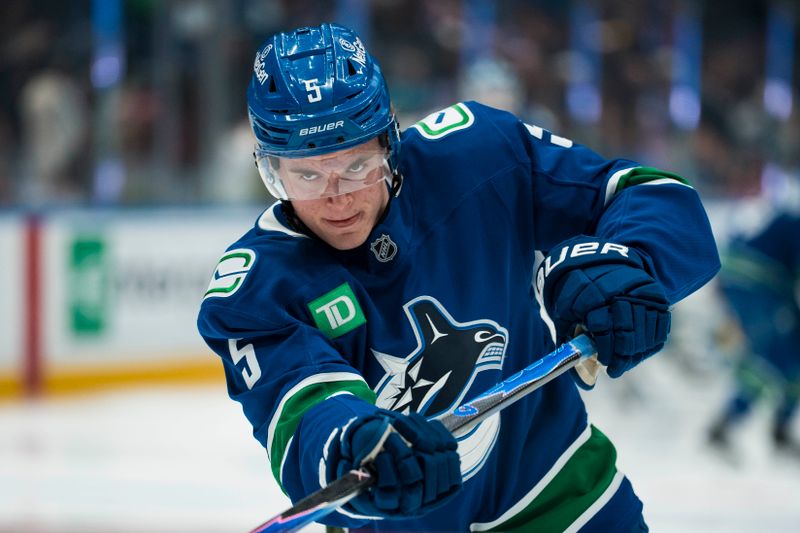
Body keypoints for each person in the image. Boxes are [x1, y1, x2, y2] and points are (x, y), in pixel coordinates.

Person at [197, 23, 720, 532]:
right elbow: (301, 415)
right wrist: (355, 441)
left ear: (388, 142)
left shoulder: (477, 153)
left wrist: (629, 262)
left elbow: (645, 192)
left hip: (562, 497)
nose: (336, 197)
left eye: (356, 166)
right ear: (270, 169)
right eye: (306, 174)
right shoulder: (252, 290)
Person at [708, 211, 800, 458]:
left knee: (785, 355)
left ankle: (778, 428)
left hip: (750, 280)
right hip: (756, 281)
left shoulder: (787, 217)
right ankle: (726, 426)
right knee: (769, 355)